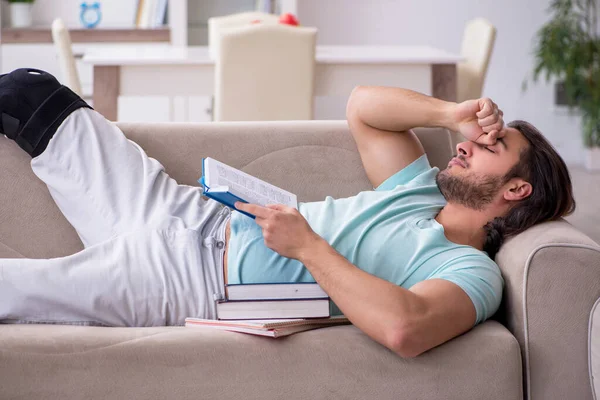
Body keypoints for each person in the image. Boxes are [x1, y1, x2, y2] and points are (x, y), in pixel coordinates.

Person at [0, 68, 574, 357]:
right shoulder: (418, 190)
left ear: (515, 191)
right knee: (29, 93)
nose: (468, 145)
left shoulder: (470, 273)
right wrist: (454, 112)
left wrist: (307, 247)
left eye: (489, 148)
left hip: (185, 281)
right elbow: (364, 107)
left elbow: (406, 328)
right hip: (188, 214)